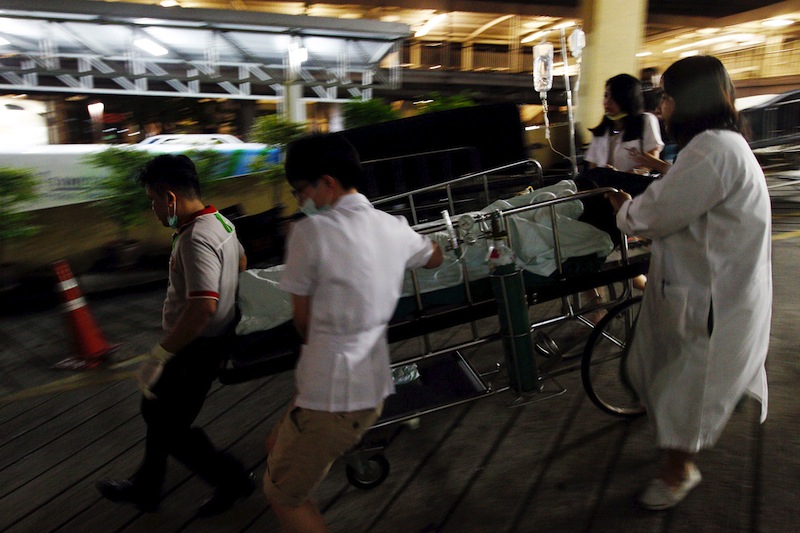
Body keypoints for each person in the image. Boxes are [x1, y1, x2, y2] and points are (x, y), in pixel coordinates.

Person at [606, 55, 772, 510]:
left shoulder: (712, 150)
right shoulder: (721, 145)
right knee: (670, 375)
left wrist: (624, 209)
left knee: (688, 390)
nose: (662, 108)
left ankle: (678, 471)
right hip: (708, 290)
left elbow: (656, 213)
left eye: (667, 97)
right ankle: (671, 441)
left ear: (685, 101)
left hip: (711, 301)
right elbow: (687, 191)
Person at [264, 134, 444, 532]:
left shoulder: (308, 234)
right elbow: (434, 256)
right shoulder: (391, 226)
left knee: (284, 497)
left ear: (326, 184)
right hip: (369, 387)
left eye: (300, 191)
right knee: (275, 444)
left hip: (331, 393)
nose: (298, 201)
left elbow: (303, 323)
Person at [96, 154, 254, 516]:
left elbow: (202, 308)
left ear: (169, 197)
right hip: (211, 341)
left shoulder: (195, 238)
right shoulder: (221, 224)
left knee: (166, 421)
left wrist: (161, 354)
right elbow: (242, 261)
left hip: (193, 348)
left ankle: (232, 480)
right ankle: (146, 488)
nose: (153, 208)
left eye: (152, 199)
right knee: (161, 416)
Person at [585, 73, 664, 174]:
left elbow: (651, 161)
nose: (607, 102)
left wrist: (620, 177)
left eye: (614, 97)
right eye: (606, 96)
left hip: (634, 186)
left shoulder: (645, 121)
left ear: (628, 98)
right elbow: (593, 167)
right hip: (606, 187)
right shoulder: (602, 129)